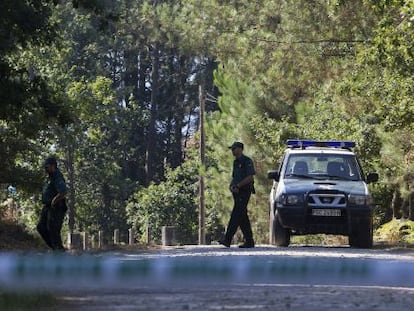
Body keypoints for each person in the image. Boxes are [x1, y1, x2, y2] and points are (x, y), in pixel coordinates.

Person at [219, 141, 256, 248]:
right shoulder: (235, 162)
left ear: (240, 149)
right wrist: (232, 186)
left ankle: (227, 239)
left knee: (236, 215)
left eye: (234, 149)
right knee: (242, 216)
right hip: (237, 192)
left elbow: (250, 177)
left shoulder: (247, 161)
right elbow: (234, 177)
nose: (232, 151)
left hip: (244, 191)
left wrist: (238, 186)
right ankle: (249, 241)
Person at [37, 157, 67, 251]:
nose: (46, 168)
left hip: (56, 207)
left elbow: (63, 191)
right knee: (41, 227)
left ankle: (59, 251)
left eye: (47, 166)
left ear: (53, 166)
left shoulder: (57, 176)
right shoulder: (49, 177)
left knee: (53, 229)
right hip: (47, 206)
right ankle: (55, 248)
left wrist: (54, 201)